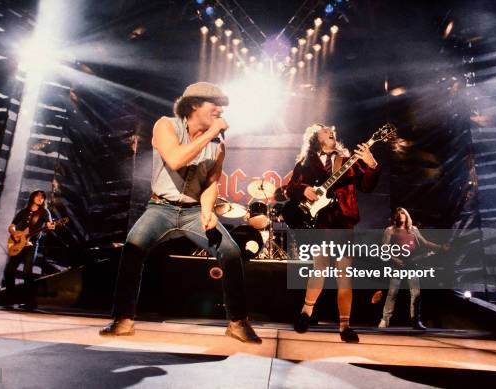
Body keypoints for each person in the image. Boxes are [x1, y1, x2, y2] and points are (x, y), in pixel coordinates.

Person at [99, 82, 261, 344]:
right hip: (160, 207)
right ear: (194, 104)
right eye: (214, 103)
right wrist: (210, 135)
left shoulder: (218, 144)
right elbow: (175, 159)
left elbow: (212, 182)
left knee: (231, 252)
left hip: (194, 210)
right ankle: (123, 320)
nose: (220, 110)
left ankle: (238, 322)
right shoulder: (166, 125)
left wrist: (208, 211)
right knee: (133, 248)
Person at [286, 124, 380, 343]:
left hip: (343, 221)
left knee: (344, 274)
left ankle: (345, 326)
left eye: (333, 130)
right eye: (325, 129)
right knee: (319, 267)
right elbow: (290, 189)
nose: (331, 131)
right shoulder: (305, 163)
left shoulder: (347, 161)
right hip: (321, 221)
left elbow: (367, 186)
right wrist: (303, 190)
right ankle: (306, 312)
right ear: (315, 137)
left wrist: (371, 163)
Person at [378, 207, 448, 330]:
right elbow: (384, 249)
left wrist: (440, 247)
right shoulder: (390, 230)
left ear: (406, 215)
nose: (401, 216)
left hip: (411, 264)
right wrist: (395, 259)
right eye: (398, 214)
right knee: (392, 293)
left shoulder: (413, 229)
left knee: (416, 293)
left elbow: (425, 243)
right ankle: (385, 320)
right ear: (396, 217)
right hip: (397, 265)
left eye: (403, 213)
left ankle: (416, 321)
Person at [1, 190, 55, 309]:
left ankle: (30, 302)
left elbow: (50, 224)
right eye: (38, 196)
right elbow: (12, 225)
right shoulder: (23, 212)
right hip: (19, 243)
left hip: (32, 244)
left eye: (42, 197)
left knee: (27, 273)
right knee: (9, 271)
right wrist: (14, 233)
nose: (40, 198)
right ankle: (10, 298)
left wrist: (50, 226)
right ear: (32, 197)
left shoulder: (44, 212)